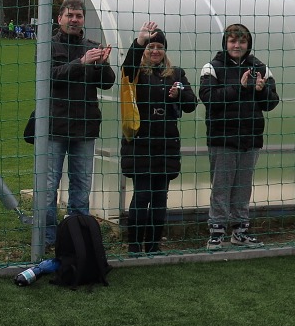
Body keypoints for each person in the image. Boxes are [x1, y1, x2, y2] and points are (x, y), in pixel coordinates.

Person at [42, 0, 115, 248]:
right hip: (54, 126)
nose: (74, 20)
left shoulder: (93, 46)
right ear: (59, 18)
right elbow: (50, 77)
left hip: (85, 126)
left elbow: (106, 82)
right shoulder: (47, 46)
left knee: (81, 183)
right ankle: (47, 237)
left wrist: (103, 64)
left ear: (84, 20)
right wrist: (80, 63)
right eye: (70, 15)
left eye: (79, 16)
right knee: (49, 184)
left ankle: (76, 236)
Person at [199, 23, 279, 250]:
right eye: (233, 41)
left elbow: (271, 103)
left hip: (251, 139)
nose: (237, 45)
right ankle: (216, 232)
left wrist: (262, 90)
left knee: (243, 187)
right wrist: (240, 87)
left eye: (242, 41)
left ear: (248, 44)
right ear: (226, 43)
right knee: (222, 187)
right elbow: (209, 99)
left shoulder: (261, 68)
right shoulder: (212, 67)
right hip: (222, 139)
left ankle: (240, 232)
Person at [120, 22, 197, 254]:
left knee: (160, 199)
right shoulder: (135, 74)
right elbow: (126, 68)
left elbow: (192, 104)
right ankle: (134, 245)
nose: (155, 51)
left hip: (166, 146)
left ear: (165, 50)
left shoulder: (176, 73)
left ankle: (153, 246)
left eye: (159, 47)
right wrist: (139, 41)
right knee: (141, 197)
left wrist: (178, 95)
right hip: (141, 145)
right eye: (151, 46)